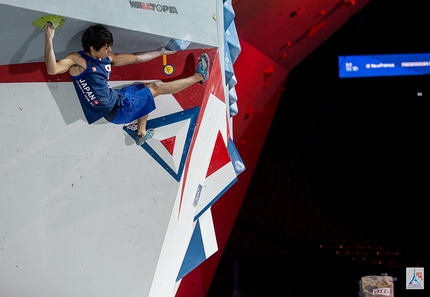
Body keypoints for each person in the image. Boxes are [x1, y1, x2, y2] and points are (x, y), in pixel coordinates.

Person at [44, 23, 209, 145]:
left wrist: (161, 52)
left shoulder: (108, 58)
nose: (109, 51)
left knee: (141, 90)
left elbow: (136, 58)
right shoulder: (77, 60)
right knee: (156, 87)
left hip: (115, 98)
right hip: (117, 112)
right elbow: (52, 69)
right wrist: (49, 39)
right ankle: (199, 76)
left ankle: (141, 133)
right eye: (106, 48)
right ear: (93, 48)